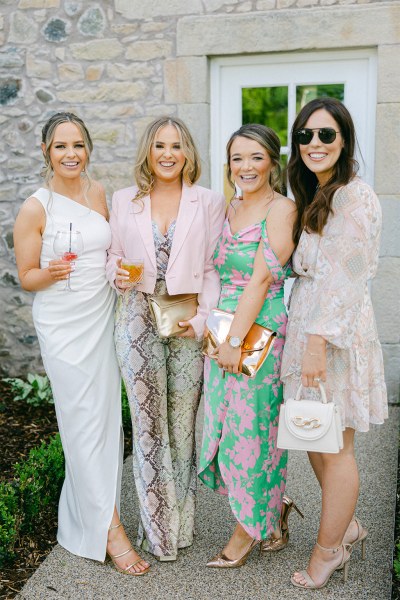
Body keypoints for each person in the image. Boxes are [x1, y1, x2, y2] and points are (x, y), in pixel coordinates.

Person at [13, 112, 150, 576]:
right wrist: (48, 273)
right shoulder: (36, 207)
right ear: (46, 152)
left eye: (77, 145)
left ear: (88, 148)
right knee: (80, 422)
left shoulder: (98, 193)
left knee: (106, 421)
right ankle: (111, 531)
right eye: (60, 146)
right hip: (63, 324)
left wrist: (124, 271)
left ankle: (83, 519)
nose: (70, 154)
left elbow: (110, 254)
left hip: (101, 316)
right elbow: (26, 276)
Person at [106, 116, 225, 561]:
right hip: (137, 317)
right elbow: (114, 256)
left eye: (176, 146)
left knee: (180, 425)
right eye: (160, 146)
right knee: (149, 425)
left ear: (188, 152)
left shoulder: (209, 201)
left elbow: (213, 267)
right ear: (148, 152)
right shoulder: (125, 200)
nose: (168, 154)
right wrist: (114, 272)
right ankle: (156, 531)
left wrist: (205, 320)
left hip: (187, 320)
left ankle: (182, 525)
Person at [281, 97, 388, 589]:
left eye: (326, 134)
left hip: (333, 335)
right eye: (306, 135)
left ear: (343, 140)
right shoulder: (316, 194)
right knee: (313, 439)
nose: (315, 144)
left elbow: (345, 278)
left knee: (336, 446)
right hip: (308, 328)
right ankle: (346, 527)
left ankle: (329, 552)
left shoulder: (354, 197)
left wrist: (318, 342)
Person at [198, 123, 296, 567]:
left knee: (253, 434)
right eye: (238, 157)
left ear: (273, 161)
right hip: (223, 331)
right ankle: (273, 512)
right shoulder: (228, 207)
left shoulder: (282, 209)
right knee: (227, 428)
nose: (246, 166)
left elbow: (260, 278)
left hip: (259, 333)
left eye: (256, 157)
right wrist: (206, 328)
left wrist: (236, 341)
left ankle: (246, 533)